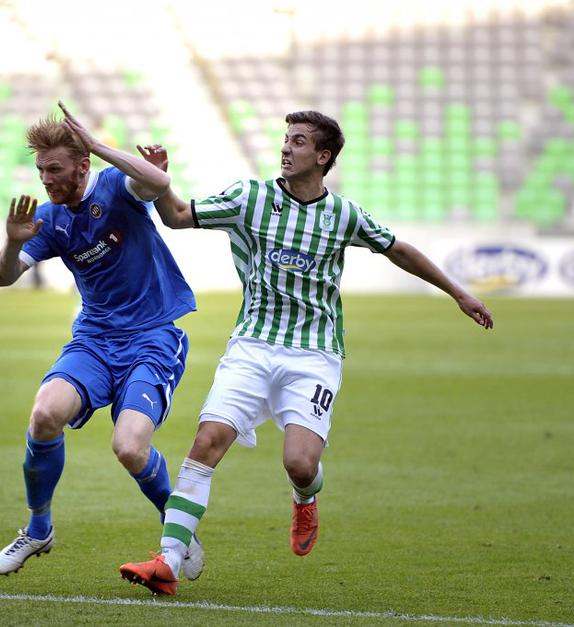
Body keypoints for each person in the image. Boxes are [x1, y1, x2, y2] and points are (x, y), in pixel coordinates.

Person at [119, 110, 494, 595]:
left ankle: (305, 497)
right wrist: (159, 182)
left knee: (299, 463)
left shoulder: (344, 215)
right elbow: (177, 217)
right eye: (286, 139)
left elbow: (397, 249)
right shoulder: (250, 197)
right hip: (252, 345)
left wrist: (457, 292)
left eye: (298, 141)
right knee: (207, 441)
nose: (286, 148)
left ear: (322, 156)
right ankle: (168, 561)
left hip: (315, 354)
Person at [0, 102, 204, 580]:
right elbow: (4, 277)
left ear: (83, 165)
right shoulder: (49, 219)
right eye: (41, 170)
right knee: (45, 414)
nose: (46, 178)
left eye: (55, 169)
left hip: (152, 337)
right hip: (94, 340)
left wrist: (98, 144)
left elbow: (159, 183)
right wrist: (12, 241)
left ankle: (176, 526)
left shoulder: (114, 185)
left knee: (129, 447)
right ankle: (38, 529)